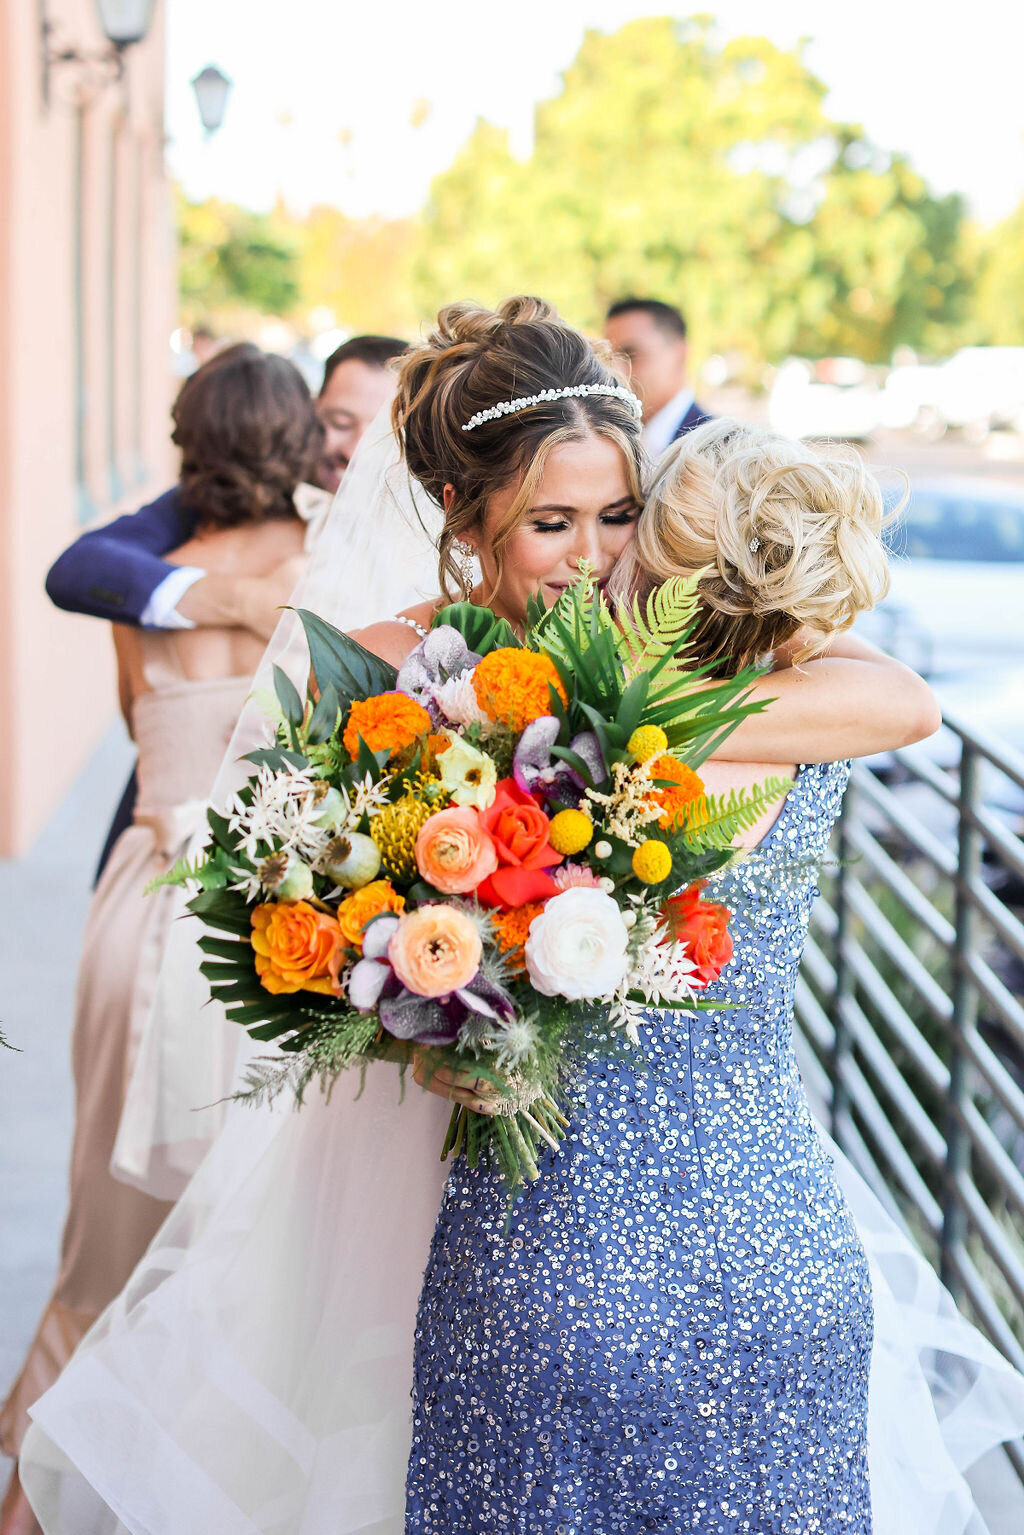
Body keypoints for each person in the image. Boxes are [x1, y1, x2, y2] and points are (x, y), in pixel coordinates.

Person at [18, 300, 1018, 1535]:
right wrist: (413, 1007)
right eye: (553, 522)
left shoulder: (675, 654)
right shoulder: (383, 667)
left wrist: (610, 711)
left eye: (618, 517)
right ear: (461, 509)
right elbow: (294, 895)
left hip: (660, 1187)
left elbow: (896, 700)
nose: (596, 555)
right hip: (421, 1156)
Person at [0, 343, 327, 1535]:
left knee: (104, 1232)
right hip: (276, 921)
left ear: (188, 445)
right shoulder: (335, 578)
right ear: (300, 441)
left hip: (144, 904)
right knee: (246, 1237)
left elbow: (148, 728)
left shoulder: (147, 581)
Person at [45, 333, 407, 880]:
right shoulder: (299, 546)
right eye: (337, 421)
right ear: (302, 422)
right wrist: (243, 600)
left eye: (380, 429)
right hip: (261, 855)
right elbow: (80, 565)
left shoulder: (419, 537)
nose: (356, 447)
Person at [604, 296, 711, 455]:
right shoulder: (607, 444)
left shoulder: (717, 450)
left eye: (630, 354)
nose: (615, 370)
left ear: (680, 353)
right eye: (608, 357)